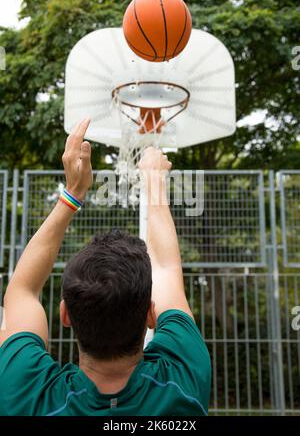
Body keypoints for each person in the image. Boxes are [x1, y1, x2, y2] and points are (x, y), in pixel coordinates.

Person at [0, 118, 211, 416]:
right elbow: (165, 267)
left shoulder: (23, 391)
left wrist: (72, 194)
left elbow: (22, 291)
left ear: (65, 314)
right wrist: (153, 180)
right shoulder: (183, 381)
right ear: (151, 314)